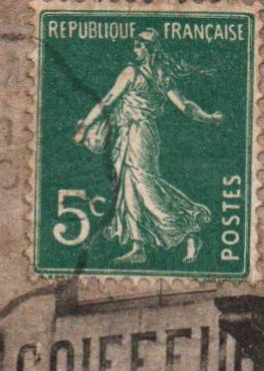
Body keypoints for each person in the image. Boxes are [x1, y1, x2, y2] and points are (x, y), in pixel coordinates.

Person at [73, 29, 224, 265]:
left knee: (144, 185)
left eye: (139, 45)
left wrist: (84, 126)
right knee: (128, 186)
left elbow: (108, 100)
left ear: (150, 48)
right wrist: (209, 118)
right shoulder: (159, 74)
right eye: (134, 45)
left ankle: (188, 228)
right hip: (127, 134)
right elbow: (186, 107)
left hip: (140, 134)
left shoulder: (134, 72)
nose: (135, 50)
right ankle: (138, 246)